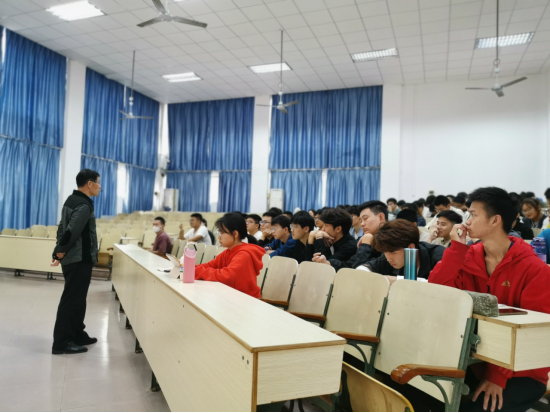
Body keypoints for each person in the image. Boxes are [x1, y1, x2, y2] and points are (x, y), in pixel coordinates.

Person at [430, 187, 550, 412]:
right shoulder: (468, 256)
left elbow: (530, 333)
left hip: (520, 369)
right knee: (425, 396)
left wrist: (497, 377)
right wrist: (456, 248)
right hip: (475, 360)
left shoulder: (534, 269)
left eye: (473, 214)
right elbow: (437, 293)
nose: (467, 221)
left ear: (495, 220)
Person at [51, 169, 101, 355]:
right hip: (79, 259)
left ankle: (77, 334)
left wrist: (58, 251)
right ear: (90, 184)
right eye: (98, 182)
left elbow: (61, 229)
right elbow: (71, 231)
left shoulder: (71, 200)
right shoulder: (83, 204)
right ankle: (62, 343)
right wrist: (59, 252)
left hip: (75, 258)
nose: (99, 186)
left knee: (78, 300)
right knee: (72, 300)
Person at [195, 213, 264, 298]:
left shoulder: (244, 254)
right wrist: (189, 267)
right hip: (231, 296)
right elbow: (210, 265)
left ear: (235, 234)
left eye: (221, 233)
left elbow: (226, 276)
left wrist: (196, 271)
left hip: (246, 299)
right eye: (218, 233)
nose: (218, 237)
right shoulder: (228, 251)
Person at [357, 220, 445, 285]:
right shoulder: (388, 256)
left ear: (410, 247)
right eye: (385, 252)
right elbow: (361, 270)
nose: (388, 259)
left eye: (393, 252)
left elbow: (442, 288)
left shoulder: (440, 257)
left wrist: (398, 281)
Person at [319, 201, 388, 271]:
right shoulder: (366, 239)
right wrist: (328, 263)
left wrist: (366, 244)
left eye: (365, 218)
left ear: (381, 217)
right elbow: (350, 265)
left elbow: (358, 271)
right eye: (361, 221)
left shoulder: (391, 241)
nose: (362, 224)